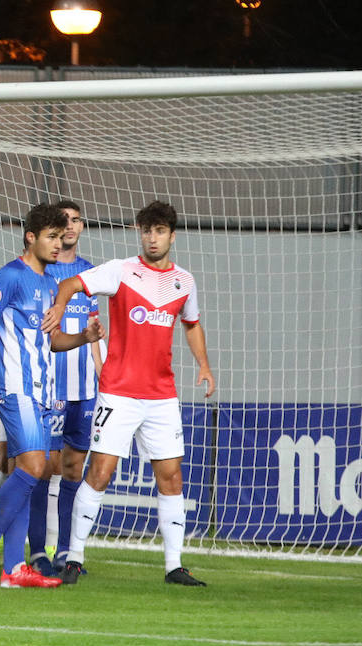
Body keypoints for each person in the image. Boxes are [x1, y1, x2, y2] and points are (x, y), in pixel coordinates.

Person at [43, 200, 215, 586]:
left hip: (161, 397)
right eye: (146, 230)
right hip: (118, 393)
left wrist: (204, 364)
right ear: (140, 232)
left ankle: (174, 566)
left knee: (171, 479)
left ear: (172, 236)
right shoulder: (121, 271)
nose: (152, 238)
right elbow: (70, 283)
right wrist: (57, 309)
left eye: (159, 231)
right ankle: (74, 557)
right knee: (99, 474)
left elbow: (192, 324)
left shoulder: (184, 282)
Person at [0, 203, 102, 588]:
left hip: (44, 393)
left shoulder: (49, 285)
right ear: (31, 237)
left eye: (62, 238)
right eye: (51, 237)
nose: (58, 245)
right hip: (14, 389)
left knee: (25, 474)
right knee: (32, 469)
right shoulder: (9, 276)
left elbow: (53, 339)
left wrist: (83, 338)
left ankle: (13, 569)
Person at [42, 199, 104, 573]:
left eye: (75, 220)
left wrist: (104, 374)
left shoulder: (90, 275)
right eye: (63, 221)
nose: (69, 226)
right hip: (48, 385)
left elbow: (95, 332)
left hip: (84, 388)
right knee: (41, 465)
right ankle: (41, 546)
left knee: (72, 467)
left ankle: (64, 550)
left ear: (82, 227)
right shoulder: (43, 272)